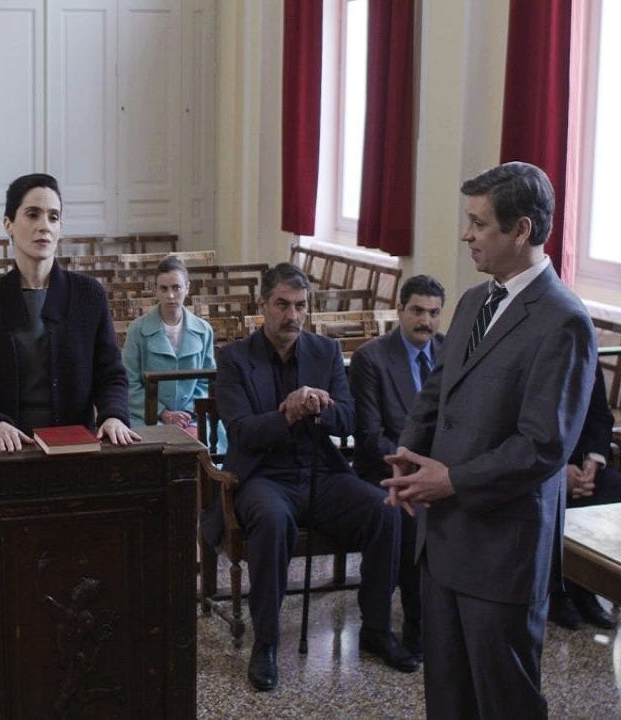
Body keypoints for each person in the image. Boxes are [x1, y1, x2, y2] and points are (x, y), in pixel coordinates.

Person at [383, 162, 597, 719]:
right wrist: (408, 455)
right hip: (444, 538)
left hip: (502, 549)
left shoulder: (563, 320)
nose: (466, 234)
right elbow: (437, 391)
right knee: (448, 698)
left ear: (521, 230)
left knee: (504, 702)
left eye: (479, 223)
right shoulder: (476, 300)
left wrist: (452, 480)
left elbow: (543, 446)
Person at [207, 262, 416, 693]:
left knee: (385, 511)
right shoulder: (234, 359)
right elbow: (242, 432)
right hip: (264, 476)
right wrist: (287, 413)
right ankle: (266, 643)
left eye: (300, 306)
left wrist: (323, 406)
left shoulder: (325, 351)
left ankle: (376, 628)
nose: (292, 316)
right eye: (282, 305)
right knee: (272, 520)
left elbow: (349, 419)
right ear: (263, 305)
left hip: (321, 471)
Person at [0, 172, 139, 451]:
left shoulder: (89, 295)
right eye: (32, 215)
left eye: (53, 217)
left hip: (76, 446)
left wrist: (113, 415)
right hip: (10, 448)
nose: (45, 226)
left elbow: (111, 375)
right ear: (8, 224)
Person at [348, 273, 446, 658]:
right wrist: (414, 472)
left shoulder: (449, 351)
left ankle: (439, 621)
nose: (426, 321)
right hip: (383, 470)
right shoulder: (371, 357)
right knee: (407, 513)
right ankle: (396, 626)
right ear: (400, 310)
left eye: (434, 313)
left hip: (436, 468)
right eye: (418, 311)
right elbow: (369, 435)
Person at [548, 364, 621, 630]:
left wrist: (593, 461)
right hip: (541, 467)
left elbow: (601, 416)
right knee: (552, 501)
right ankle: (556, 592)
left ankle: (586, 589)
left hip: (579, 464)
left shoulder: (586, 351)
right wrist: (559, 472)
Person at [122, 255, 225, 452]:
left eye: (176, 287)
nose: (170, 295)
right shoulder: (137, 329)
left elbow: (207, 381)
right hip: (148, 416)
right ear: (155, 290)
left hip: (193, 417)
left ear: (187, 288)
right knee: (156, 452)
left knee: (206, 450)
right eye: (164, 288)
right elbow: (129, 382)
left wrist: (188, 413)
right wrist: (163, 413)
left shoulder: (203, 330)